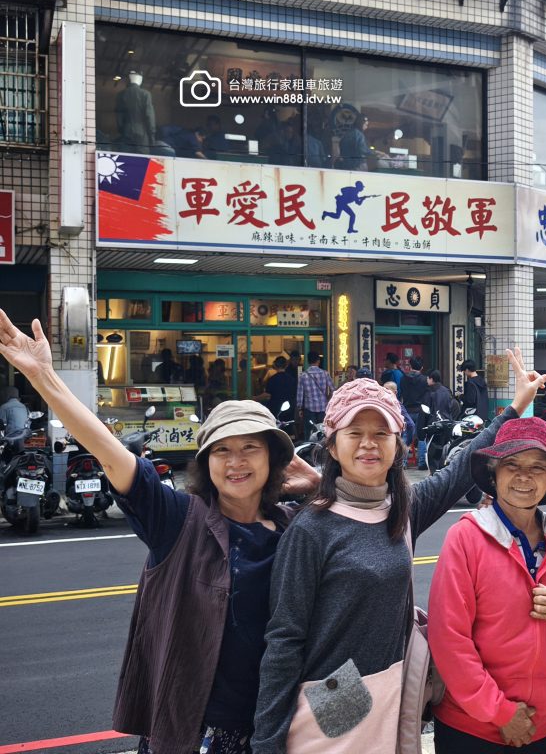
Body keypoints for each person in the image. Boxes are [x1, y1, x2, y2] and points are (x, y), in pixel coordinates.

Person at [0, 309, 315, 754]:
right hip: (192, 733)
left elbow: (379, 521)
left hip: (273, 728)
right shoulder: (178, 519)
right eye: (221, 450)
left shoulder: (292, 528)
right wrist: (44, 378)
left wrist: (318, 484)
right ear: (205, 462)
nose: (236, 462)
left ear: (273, 459)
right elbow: (108, 451)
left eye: (250, 448)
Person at [251, 349, 546, 753]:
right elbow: (284, 641)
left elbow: (460, 469)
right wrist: (267, 743)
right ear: (333, 446)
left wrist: (514, 409)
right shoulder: (311, 529)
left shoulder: (403, 510)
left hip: (394, 691)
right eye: (354, 433)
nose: (368, 444)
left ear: (397, 445)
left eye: (381, 433)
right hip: (333, 701)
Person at [428, 418, 546, 752]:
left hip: (540, 726)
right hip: (470, 728)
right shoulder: (465, 538)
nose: (524, 477)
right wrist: (502, 713)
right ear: (494, 474)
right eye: (511, 465)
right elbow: (449, 640)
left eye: (537, 468)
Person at [296, 351, 334, 441]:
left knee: (309, 432)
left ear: (308, 361)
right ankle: (322, 448)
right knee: (323, 432)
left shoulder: (303, 375)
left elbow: (300, 394)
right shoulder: (325, 373)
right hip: (323, 408)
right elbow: (333, 389)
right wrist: (328, 400)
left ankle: (310, 448)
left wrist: (300, 408)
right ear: (318, 361)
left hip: (309, 409)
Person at [401, 358, 429, 469]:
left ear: (410, 366)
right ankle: (422, 462)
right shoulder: (424, 380)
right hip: (420, 411)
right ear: (421, 367)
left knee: (405, 436)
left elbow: (401, 393)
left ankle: (403, 462)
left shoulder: (403, 378)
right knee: (422, 436)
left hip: (407, 410)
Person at [259, 357, 296, 421]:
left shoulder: (272, 379)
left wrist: (255, 398)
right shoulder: (292, 379)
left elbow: (267, 395)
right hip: (289, 410)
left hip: (275, 410)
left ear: (275, 365)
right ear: (286, 365)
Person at [383, 380, 416, 448]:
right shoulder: (383, 404)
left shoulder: (398, 406)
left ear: (395, 392)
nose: (384, 392)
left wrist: (405, 443)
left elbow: (411, 425)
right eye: (383, 390)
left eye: (387, 390)